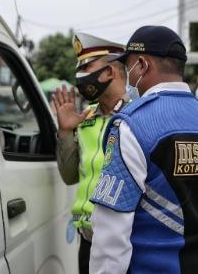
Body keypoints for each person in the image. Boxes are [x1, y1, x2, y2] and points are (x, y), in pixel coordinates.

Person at [89, 26, 198, 274]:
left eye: (128, 69)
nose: (128, 78)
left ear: (142, 65)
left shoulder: (131, 126)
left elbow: (111, 232)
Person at [51, 32, 129, 274]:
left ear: (110, 72)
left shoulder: (137, 116)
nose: (79, 76)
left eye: (87, 67)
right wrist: (65, 132)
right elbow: (70, 176)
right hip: (87, 240)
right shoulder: (86, 119)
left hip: (124, 246)